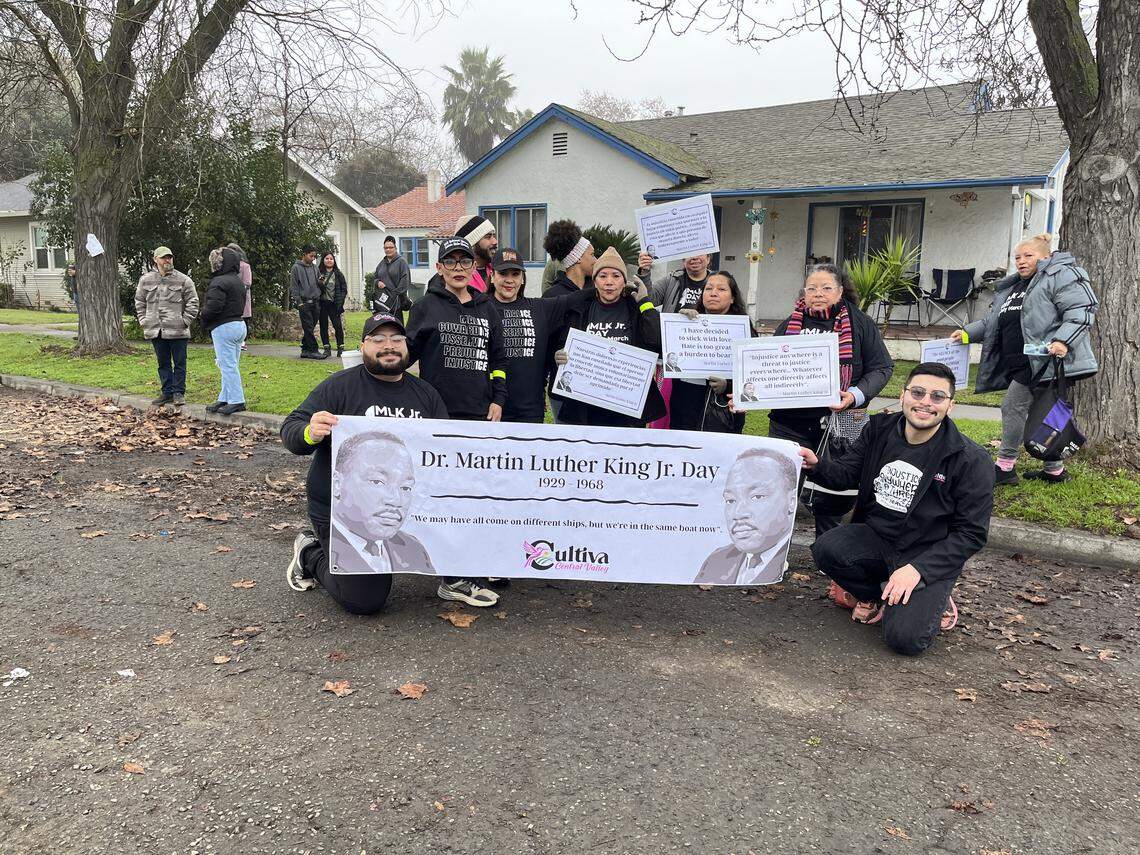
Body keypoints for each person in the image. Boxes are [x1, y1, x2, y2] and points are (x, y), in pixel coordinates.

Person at [803, 362, 994, 656]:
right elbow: (845, 474)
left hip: (926, 552)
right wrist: (816, 465)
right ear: (903, 396)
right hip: (878, 539)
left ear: (950, 405)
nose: (926, 402)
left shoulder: (971, 459)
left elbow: (971, 534)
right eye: (918, 392)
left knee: (905, 639)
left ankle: (933, 595)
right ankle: (880, 594)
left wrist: (919, 570)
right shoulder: (878, 430)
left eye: (937, 396)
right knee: (826, 549)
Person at [282, 312, 449, 614]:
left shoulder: (426, 395)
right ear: (363, 347)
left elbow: (444, 453)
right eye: (378, 339)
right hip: (337, 511)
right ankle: (310, 552)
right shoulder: (340, 387)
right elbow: (291, 429)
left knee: (438, 554)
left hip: (403, 510)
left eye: (396, 339)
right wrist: (310, 432)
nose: (389, 346)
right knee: (365, 600)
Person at [406, 236, 507, 607]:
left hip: (479, 416)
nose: (459, 268)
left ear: (474, 266)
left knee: (475, 496)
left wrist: (498, 399)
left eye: (465, 261)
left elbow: (499, 359)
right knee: (442, 497)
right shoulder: (424, 307)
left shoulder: (487, 307)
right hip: (438, 416)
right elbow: (404, 356)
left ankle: (469, 567)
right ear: (439, 268)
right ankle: (451, 576)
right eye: (451, 262)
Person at [952, 234, 1098, 486]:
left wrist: (1063, 341)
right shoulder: (1015, 286)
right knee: (1044, 415)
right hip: (1021, 361)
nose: (1021, 261)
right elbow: (993, 321)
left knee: (1012, 407)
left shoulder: (1060, 275)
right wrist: (967, 333)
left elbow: (1081, 309)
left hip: (1044, 360)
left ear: (1046, 256)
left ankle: (1005, 467)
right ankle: (1054, 470)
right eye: (1017, 257)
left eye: (1028, 255)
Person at [769, 263, 894, 538]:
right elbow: (768, 368)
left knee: (833, 495)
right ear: (804, 292)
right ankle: (775, 550)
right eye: (812, 288)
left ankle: (828, 550)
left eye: (826, 288)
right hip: (789, 423)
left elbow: (882, 368)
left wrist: (855, 395)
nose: (818, 293)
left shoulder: (860, 323)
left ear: (840, 291)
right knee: (780, 491)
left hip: (845, 422)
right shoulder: (789, 324)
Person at [553, 246, 665, 428]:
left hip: (627, 407)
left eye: (616, 276)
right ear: (595, 281)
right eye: (603, 276)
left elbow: (658, 342)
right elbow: (563, 345)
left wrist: (645, 303)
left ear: (624, 282)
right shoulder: (580, 309)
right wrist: (560, 356)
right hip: (587, 406)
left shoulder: (634, 308)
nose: (609, 282)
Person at [488, 246, 593, 423]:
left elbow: (575, 299)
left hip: (530, 411)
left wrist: (612, 286)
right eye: (503, 274)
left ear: (523, 278)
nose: (509, 280)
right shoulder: (480, 309)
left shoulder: (539, 309)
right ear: (492, 276)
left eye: (515, 274)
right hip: (491, 407)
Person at [694, 448, 798, 585]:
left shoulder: (798, 568)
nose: (738, 513)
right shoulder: (716, 560)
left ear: (791, 501)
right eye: (730, 500)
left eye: (757, 496)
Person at [668, 271, 752, 433]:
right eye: (708, 289)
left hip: (723, 417)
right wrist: (678, 327)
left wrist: (728, 385)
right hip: (685, 413)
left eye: (721, 289)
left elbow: (753, 374)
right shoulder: (686, 323)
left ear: (733, 298)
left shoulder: (744, 330)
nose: (713, 293)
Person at [541, 220, 598, 422]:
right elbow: (544, 343)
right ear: (578, 258)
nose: (596, 260)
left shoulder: (600, 291)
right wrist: (554, 356)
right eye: (592, 254)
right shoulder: (552, 296)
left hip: (594, 386)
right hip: (562, 390)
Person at [134, 246, 198, 407]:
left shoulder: (183, 280)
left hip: (178, 330)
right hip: (156, 330)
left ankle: (179, 393)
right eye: (163, 257)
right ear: (155, 259)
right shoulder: (146, 280)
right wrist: (143, 320)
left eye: (169, 257)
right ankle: (167, 392)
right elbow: (139, 301)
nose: (167, 260)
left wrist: (185, 321)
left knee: (179, 363)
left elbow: (193, 302)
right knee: (163, 363)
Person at [199, 247, 248, 415]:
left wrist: (203, 316)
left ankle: (237, 400)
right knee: (230, 364)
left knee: (227, 366)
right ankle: (224, 397)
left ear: (219, 264)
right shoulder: (238, 282)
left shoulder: (218, 282)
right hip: (239, 325)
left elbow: (214, 307)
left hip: (224, 327)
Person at [637, 252, 714, 313]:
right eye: (689, 253)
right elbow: (649, 299)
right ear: (683, 260)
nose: (694, 257)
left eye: (700, 253)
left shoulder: (717, 280)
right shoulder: (672, 279)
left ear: (708, 258)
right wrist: (645, 271)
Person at [291, 244, 324, 359]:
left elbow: (319, 282)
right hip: (304, 303)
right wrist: (299, 302)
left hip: (316, 301)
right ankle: (314, 350)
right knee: (308, 327)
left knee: (310, 327)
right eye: (311, 256)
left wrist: (321, 281)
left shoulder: (315, 267)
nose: (313, 258)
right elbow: (294, 286)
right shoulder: (296, 268)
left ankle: (305, 350)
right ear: (304, 254)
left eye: (315, 256)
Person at [454, 214, 498, 292]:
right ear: (472, 244)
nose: (495, 241)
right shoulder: (457, 277)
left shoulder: (498, 270)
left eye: (494, 236)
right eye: (488, 237)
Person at [317, 251, 348, 358]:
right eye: (327, 258)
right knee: (323, 326)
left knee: (338, 326)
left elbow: (344, 289)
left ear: (334, 261)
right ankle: (326, 348)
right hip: (322, 303)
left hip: (334, 304)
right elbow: (316, 288)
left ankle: (340, 348)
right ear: (323, 260)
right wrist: (320, 283)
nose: (329, 260)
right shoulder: (319, 273)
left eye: (331, 259)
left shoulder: (338, 274)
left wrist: (341, 300)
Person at [373, 235, 411, 314]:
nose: (388, 250)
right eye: (386, 248)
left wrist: (393, 295)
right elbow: (375, 277)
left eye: (391, 247)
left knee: (395, 322)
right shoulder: (382, 263)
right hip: (382, 303)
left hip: (395, 304)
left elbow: (405, 282)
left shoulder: (402, 262)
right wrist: (378, 282)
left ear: (395, 248)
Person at [227, 242, 253, 350]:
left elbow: (247, 283)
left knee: (243, 320)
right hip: (229, 298)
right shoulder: (226, 267)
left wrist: (235, 290)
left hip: (242, 298)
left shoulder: (245, 266)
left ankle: (242, 342)